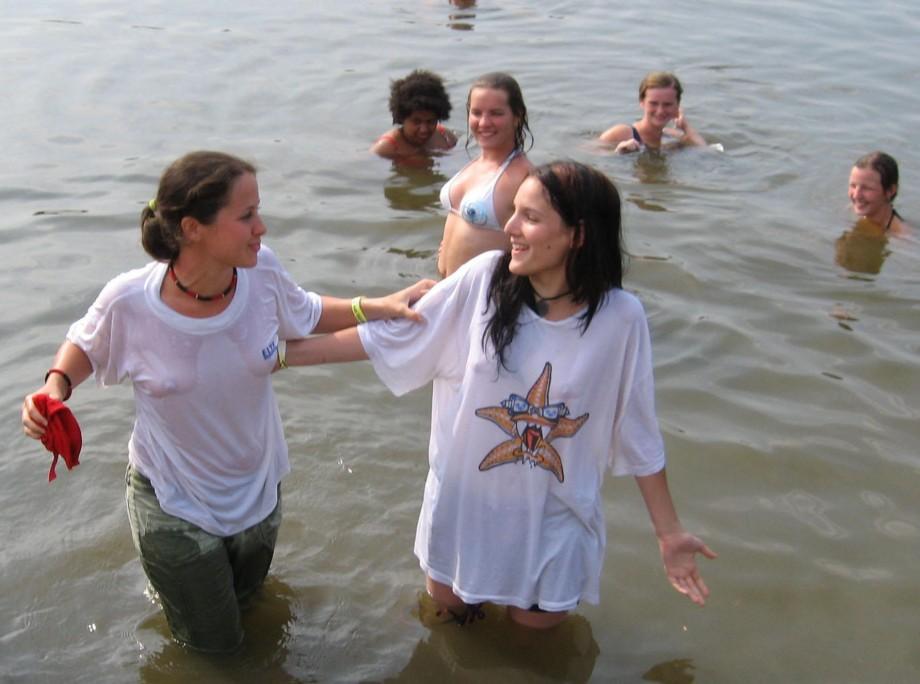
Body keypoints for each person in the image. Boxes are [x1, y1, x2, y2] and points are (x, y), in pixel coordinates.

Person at [19, 151, 432, 653]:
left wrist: (378, 307)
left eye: (258, 210)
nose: (262, 226)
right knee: (217, 648)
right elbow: (85, 344)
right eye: (246, 216)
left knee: (251, 608)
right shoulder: (130, 300)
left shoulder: (261, 273)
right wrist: (55, 387)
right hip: (174, 504)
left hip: (259, 494)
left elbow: (303, 312)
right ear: (193, 229)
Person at [282, 161, 716, 629]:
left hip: (553, 526)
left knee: (530, 660)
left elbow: (637, 429)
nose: (508, 227)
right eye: (513, 212)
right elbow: (387, 340)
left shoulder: (621, 319)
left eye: (529, 217)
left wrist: (668, 534)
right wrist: (280, 356)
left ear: (579, 235)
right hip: (462, 511)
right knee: (450, 634)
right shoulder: (484, 280)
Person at [437, 72, 534, 277]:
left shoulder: (524, 178)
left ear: (517, 117)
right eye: (476, 112)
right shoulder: (474, 165)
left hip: (486, 299)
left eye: (496, 113)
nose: (483, 122)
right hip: (445, 290)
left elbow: (545, 248)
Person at [599, 71, 706, 153]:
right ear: (642, 102)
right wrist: (617, 153)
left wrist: (686, 127)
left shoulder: (672, 136)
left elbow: (707, 151)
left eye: (667, 104)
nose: (660, 111)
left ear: (677, 105)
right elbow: (589, 157)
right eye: (653, 104)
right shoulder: (621, 133)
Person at [371, 69, 458, 161]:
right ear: (402, 118)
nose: (424, 130)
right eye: (416, 122)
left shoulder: (445, 137)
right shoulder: (385, 149)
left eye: (430, 121)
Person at [848, 151, 908, 237]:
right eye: (853, 185)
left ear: (890, 191)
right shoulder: (850, 210)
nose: (856, 195)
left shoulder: (902, 237)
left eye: (866, 188)